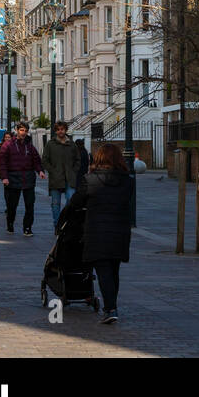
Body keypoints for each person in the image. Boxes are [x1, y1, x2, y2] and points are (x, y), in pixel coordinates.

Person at [68, 144, 134, 325]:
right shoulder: (128, 180)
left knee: (103, 270)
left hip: (97, 230)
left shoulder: (90, 180)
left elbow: (75, 201)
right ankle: (111, 305)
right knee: (114, 270)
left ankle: (111, 308)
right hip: (120, 230)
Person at [0, 121, 46, 236]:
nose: (23, 133)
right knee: (12, 205)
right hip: (13, 178)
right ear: (17, 131)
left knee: (30, 205)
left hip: (28, 178)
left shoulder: (30, 146)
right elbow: (2, 162)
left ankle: (27, 227)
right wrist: (4, 177)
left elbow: (36, 160)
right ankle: (10, 224)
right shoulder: (8, 145)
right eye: (21, 130)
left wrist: (40, 171)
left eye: (25, 131)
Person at [42, 121, 80, 227]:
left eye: (62, 129)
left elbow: (78, 159)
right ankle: (57, 225)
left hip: (70, 178)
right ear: (56, 131)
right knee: (55, 204)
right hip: (56, 178)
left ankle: (66, 223)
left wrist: (74, 171)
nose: (60, 131)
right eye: (58, 129)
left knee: (71, 200)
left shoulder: (72, 144)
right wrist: (53, 171)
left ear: (65, 130)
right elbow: (45, 160)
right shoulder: (50, 144)